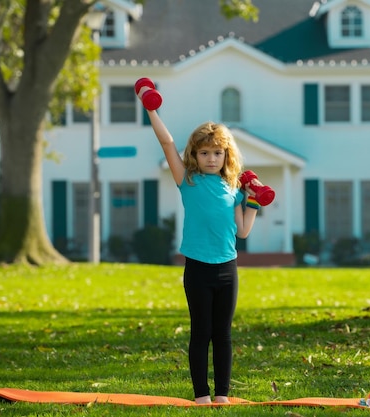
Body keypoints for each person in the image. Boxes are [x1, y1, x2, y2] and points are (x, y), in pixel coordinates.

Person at [138, 86, 261, 404]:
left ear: (226, 155)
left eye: (217, 153)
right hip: (197, 270)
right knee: (201, 333)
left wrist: (255, 203)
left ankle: (222, 395)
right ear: (195, 155)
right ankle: (201, 395)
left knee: (223, 335)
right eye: (204, 153)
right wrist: (151, 108)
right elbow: (167, 143)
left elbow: (244, 231)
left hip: (227, 270)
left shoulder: (233, 188)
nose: (211, 158)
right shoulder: (187, 180)